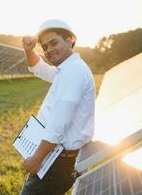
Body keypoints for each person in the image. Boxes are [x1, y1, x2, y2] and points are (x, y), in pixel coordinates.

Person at [20, 19, 95, 195]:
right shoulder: (66, 69)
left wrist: (36, 159)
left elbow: (58, 124)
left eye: (54, 43)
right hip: (58, 157)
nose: (49, 50)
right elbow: (38, 68)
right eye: (45, 47)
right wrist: (28, 50)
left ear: (69, 40)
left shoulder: (73, 71)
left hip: (57, 161)